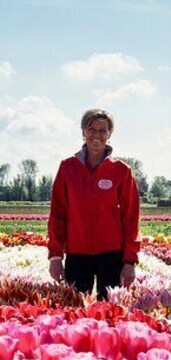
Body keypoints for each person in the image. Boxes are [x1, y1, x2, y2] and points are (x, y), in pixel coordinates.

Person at [47, 109, 140, 300]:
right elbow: (57, 215)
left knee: (111, 315)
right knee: (74, 313)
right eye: (91, 129)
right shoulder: (67, 168)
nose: (96, 135)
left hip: (112, 256)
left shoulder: (121, 171)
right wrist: (55, 257)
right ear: (83, 131)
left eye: (102, 130)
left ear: (109, 134)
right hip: (76, 254)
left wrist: (130, 260)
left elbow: (131, 218)